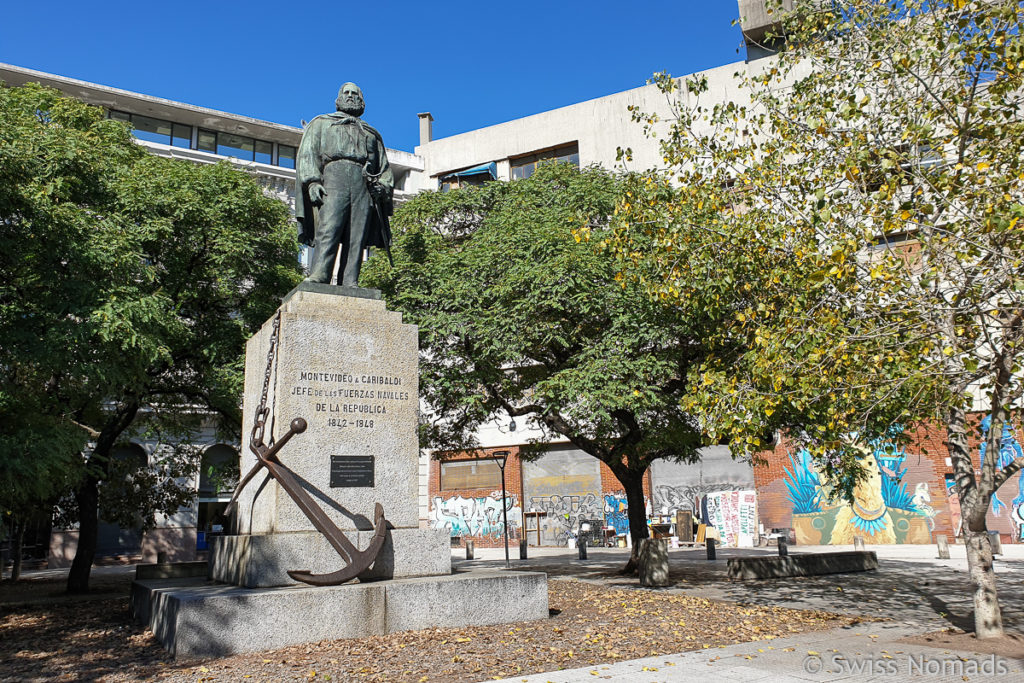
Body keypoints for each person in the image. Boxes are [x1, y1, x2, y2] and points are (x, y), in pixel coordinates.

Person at [296, 83, 394, 286]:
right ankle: (320, 275)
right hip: (333, 178)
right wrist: (313, 182)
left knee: (357, 236)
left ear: (362, 101)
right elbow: (308, 154)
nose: (350, 96)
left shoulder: (371, 134)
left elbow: (384, 169)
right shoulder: (320, 123)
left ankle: (350, 280)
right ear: (338, 100)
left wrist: (382, 187)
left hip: (363, 185)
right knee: (329, 229)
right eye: (346, 93)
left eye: (355, 93)